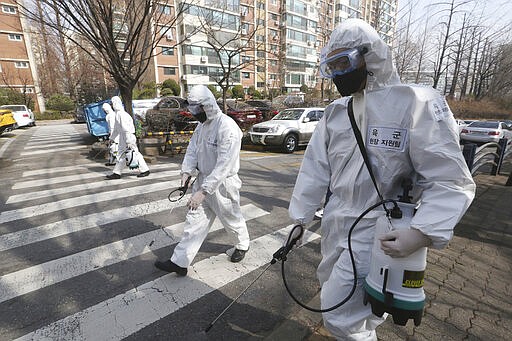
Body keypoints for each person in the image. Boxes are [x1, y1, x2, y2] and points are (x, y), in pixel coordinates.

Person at [288, 19, 475, 340]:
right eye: (330, 67)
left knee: (339, 315)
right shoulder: (335, 112)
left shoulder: (415, 103)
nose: (337, 75)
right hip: (336, 226)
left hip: (381, 230)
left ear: (369, 56)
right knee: (348, 308)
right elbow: (314, 170)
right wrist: (299, 219)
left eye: (343, 63)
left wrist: (422, 232)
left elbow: (449, 179)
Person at [154, 85, 250, 276]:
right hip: (204, 181)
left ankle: (242, 244)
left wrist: (203, 191)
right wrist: (186, 173)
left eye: (198, 110)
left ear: (208, 106)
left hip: (223, 185)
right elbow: (192, 151)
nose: (195, 114)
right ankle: (180, 262)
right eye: (192, 109)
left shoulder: (227, 127)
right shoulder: (201, 127)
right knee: (193, 223)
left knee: (231, 218)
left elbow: (224, 165)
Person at [106, 96, 150, 179]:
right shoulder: (118, 114)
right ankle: (117, 172)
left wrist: (128, 141)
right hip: (124, 137)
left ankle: (144, 170)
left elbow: (125, 129)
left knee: (133, 153)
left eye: (112, 103)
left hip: (128, 137)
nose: (111, 105)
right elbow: (116, 129)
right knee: (122, 154)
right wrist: (111, 139)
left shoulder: (121, 114)